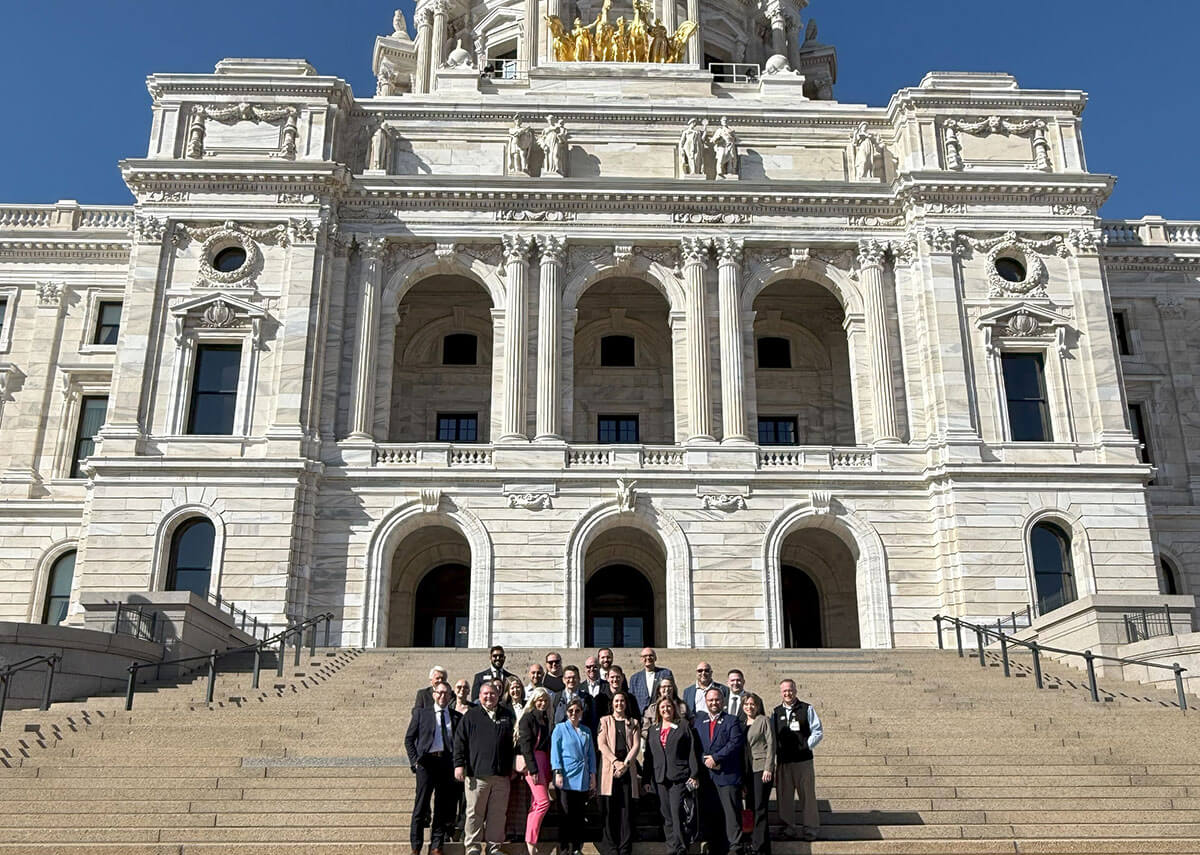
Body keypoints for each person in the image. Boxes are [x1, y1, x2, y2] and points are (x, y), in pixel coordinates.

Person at [453, 682, 516, 855]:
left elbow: (515, 743)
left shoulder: (507, 716)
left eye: (493, 694)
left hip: (501, 776)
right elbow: (459, 742)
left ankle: (494, 847)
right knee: (474, 813)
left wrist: (513, 766)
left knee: (497, 814)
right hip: (476, 775)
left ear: (498, 695)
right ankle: (472, 846)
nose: (489, 697)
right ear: (480, 696)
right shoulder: (471, 716)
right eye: (485, 694)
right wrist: (459, 765)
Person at [406, 681, 462, 855]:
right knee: (421, 806)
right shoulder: (422, 714)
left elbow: (459, 743)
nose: (442, 696)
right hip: (426, 763)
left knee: (442, 806)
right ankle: (416, 846)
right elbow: (409, 739)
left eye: (446, 693)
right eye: (439, 693)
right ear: (433, 694)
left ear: (451, 696)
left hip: (445, 763)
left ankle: (436, 845)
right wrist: (415, 761)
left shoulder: (455, 716)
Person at [642, 696, 698, 855]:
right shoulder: (654, 729)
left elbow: (691, 751)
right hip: (660, 779)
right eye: (662, 707)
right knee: (666, 816)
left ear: (673, 708)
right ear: (658, 711)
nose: (665, 709)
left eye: (668, 706)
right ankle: (672, 848)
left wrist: (694, 773)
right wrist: (646, 779)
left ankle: (681, 848)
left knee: (676, 813)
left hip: (678, 777)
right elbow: (649, 757)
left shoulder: (683, 726)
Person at [694, 687, 745, 855]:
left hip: (727, 775)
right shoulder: (699, 721)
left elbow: (735, 742)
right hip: (707, 777)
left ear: (722, 702)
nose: (713, 703)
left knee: (731, 815)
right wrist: (705, 760)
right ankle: (714, 846)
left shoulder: (732, 720)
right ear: (706, 702)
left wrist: (716, 758)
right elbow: (695, 746)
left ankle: (735, 847)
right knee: (711, 813)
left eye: (717, 700)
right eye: (710, 700)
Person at [771, 679, 823, 842]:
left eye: (790, 690)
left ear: (795, 690)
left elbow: (817, 731)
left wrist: (806, 746)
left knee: (807, 796)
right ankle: (788, 828)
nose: (788, 693)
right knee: (784, 796)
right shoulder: (776, 712)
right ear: (781, 692)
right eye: (785, 691)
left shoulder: (807, 709)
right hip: (784, 761)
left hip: (803, 761)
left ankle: (810, 829)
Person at [598, 691, 641, 855]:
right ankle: (611, 848)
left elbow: (636, 746)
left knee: (626, 810)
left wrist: (625, 764)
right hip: (610, 770)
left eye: (622, 701)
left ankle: (624, 848)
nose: (619, 704)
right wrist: (615, 762)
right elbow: (601, 744)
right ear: (612, 703)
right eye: (616, 701)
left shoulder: (634, 722)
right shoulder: (604, 721)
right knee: (609, 810)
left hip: (627, 769)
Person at [552, 698, 597, 855]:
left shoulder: (586, 730)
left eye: (577, 711)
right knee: (565, 814)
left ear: (581, 713)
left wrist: (592, 775)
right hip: (566, 776)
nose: (574, 714)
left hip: (582, 777)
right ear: (566, 713)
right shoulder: (560, 728)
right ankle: (565, 849)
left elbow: (591, 754)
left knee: (579, 815)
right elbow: (555, 751)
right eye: (571, 711)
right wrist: (557, 771)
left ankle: (577, 848)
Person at [519, 687, 555, 855]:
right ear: (533, 700)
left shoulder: (547, 719)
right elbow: (525, 745)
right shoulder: (527, 718)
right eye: (539, 700)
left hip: (545, 762)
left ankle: (532, 842)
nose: (542, 703)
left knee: (536, 803)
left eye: (545, 700)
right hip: (533, 762)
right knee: (543, 802)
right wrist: (532, 769)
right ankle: (531, 840)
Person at [742, 693, 775, 855]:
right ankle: (760, 844)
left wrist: (769, 768)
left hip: (761, 769)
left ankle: (758, 846)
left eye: (752, 704)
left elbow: (771, 744)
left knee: (760, 807)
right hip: (747, 770)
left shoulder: (763, 720)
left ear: (758, 705)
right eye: (746, 704)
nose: (749, 707)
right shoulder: (741, 723)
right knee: (750, 807)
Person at [504, 678, 531, 844]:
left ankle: (521, 831)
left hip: (526, 755)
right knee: (509, 796)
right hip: (509, 756)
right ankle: (508, 831)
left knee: (523, 796)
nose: (516, 691)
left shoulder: (528, 707)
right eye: (512, 688)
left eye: (518, 687)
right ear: (508, 691)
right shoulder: (504, 709)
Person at [629, 647, 674, 713]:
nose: (648, 658)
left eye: (651, 655)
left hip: (660, 714)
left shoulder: (665, 673)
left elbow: (672, 694)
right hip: (642, 717)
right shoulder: (635, 678)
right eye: (645, 656)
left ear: (655, 658)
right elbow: (631, 700)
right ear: (641, 659)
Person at [552, 665, 596, 729]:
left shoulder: (588, 699)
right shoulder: (556, 698)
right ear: (563, 680)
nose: (571, 680)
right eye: (568, 678)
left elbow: (592, 721)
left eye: (574, 677)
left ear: (579, 679)